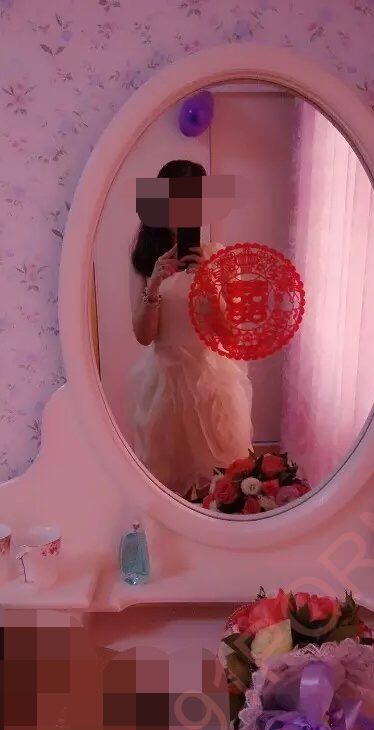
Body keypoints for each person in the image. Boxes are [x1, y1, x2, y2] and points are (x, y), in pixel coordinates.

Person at [130, 159, 253, 497]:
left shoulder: (220, 257)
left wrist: (211, 284)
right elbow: (143, 336)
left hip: (213, 384)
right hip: (165, 386)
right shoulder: (144, 261)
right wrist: (153, 285)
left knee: (222, 485)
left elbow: (231, 336)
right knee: (166, 487)